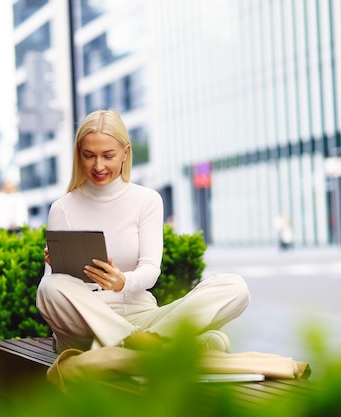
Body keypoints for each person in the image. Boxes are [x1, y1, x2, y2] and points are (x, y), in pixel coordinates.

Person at [36, 109, 250, 353]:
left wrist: (122, 281)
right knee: (49, 287)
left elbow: (150, 270)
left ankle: (149, 343)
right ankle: (154, 346)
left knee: (235, 287)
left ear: (125, 153)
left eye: (108, 155)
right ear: (79, 155)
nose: (98, 165)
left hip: (143, 319)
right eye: (89, 156)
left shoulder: (147, 200)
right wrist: (60, 269)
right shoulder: (63, 208)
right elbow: (51, 289)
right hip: (86, 326)